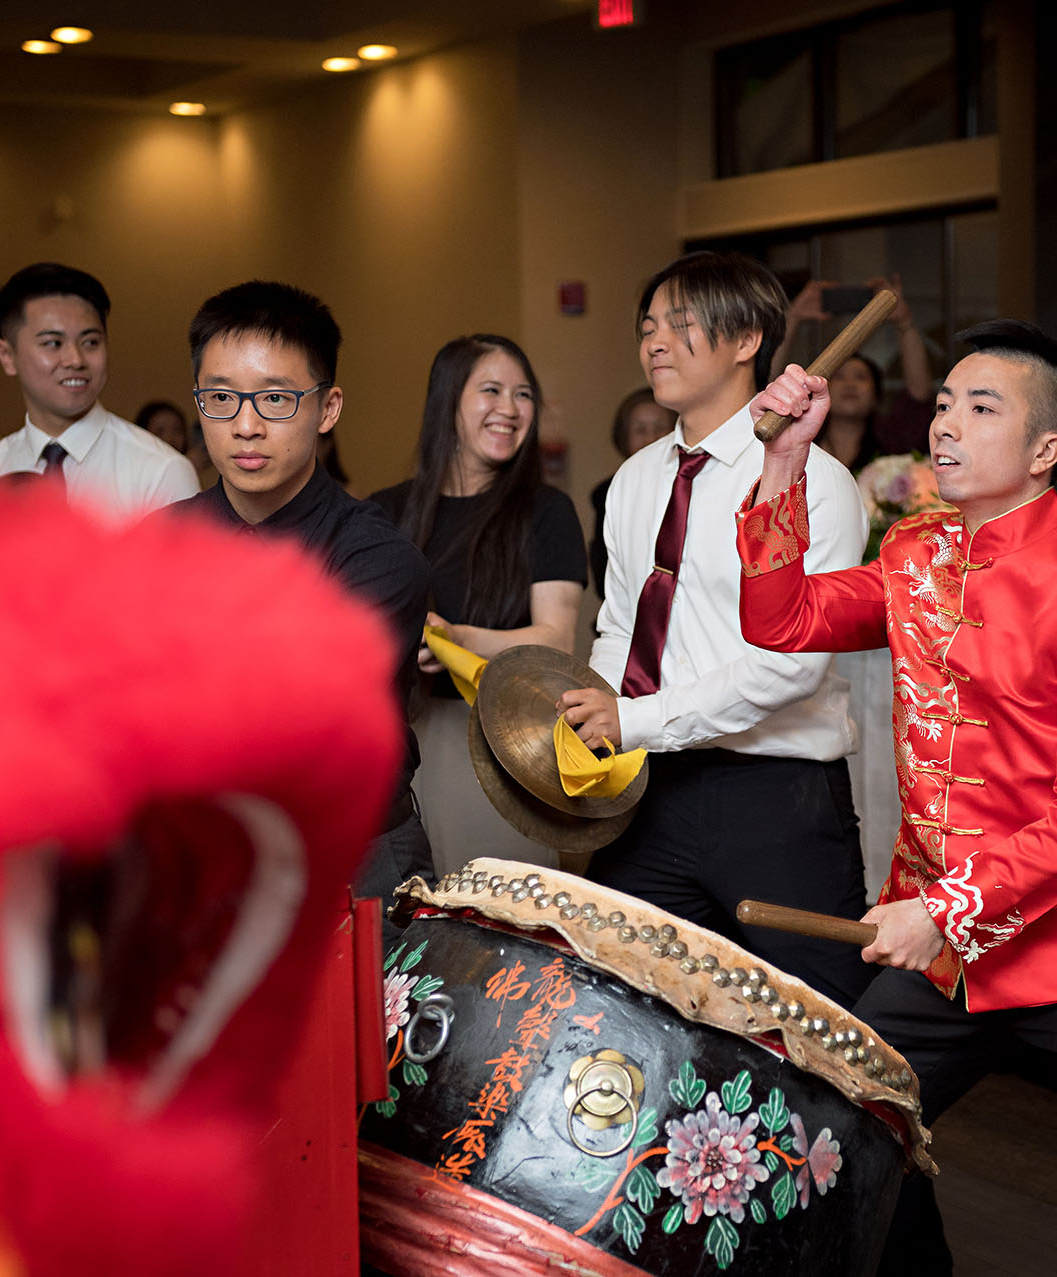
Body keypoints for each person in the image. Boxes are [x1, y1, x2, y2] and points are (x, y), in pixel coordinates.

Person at [737, 320, 1057, 1277]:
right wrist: (785, 461)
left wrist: (943, 907)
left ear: (1046, 450)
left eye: (980, 407)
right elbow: (781, 619)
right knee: (828, 1142)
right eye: (944, 402)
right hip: (947, 953)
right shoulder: (915, 554)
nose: (946, 424)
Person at [557, 250, 874, 1009]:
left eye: (680, 324)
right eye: (647, 327)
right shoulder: (634, 479)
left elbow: (789, 665)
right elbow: (622, 624)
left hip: (776, 802)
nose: (655, 343)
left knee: (819, 1027)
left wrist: (632, 718)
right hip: (651, 792)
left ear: (748, 339)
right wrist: (599, 711)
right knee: (615, 1001)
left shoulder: (811, 481)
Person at [167, 280, 435, 925]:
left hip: (355, 858)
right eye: (222, 398)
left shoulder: (376, 559)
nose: (246, 425)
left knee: (366, 1028)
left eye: (277, 399)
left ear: (328, 407)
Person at [368, 334, 587, 870]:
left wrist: (456, 639)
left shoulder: (546, 511)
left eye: (524, 394)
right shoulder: (385, 511)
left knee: (497, 925)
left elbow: (555, 637)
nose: (509, 410)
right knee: (402, 931)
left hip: (504, 746)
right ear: (448, 402)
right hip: (397, 742)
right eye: (491, 390)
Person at [0, 263, 199, 521]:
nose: (75, 359)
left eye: (90, 342)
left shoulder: (160, 473)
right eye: (53, 344)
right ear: (6, 355)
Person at [781, 276, 934, 466]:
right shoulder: (799, 441)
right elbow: (762, 386)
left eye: (861, 377)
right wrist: (793, 316)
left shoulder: (893, 441)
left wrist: (905, 323)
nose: (850, 384)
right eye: (839, 376)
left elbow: (918, 394)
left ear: (877, 395)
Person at [590, 387, 676, 601]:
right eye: (640, 430)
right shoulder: (608, 493)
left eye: (659, 428)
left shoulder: (689, 482)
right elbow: (604, 577)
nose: (650, 438)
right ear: (624, 438)